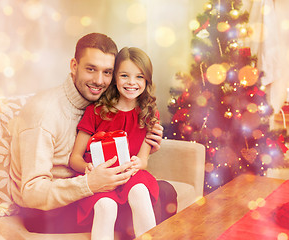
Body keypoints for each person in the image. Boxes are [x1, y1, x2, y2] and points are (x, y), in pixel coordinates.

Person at [9, 33, 177, 237]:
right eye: (91, 69)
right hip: (47, 211)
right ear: (73, 66)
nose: (99, 80)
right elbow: (32, 193)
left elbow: (116, 136)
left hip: (89, 188)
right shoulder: (44, 114)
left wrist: (147, 145)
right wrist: (90, 183)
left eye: (107, 72)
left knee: (159, 191)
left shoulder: (99, 101)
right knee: (161, 196)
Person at [69, 47, 159, 239]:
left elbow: (143, 161)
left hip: (129, 176)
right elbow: (75, 158)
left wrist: (137, 163)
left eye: (140, 77)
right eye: (125, 75)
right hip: (100, 179)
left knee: (140, 191)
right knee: (106, 206)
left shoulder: (149, 113)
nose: (132, 82)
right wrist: (89, 169)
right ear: (114, 78)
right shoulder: (96, 111)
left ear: (147, 80)